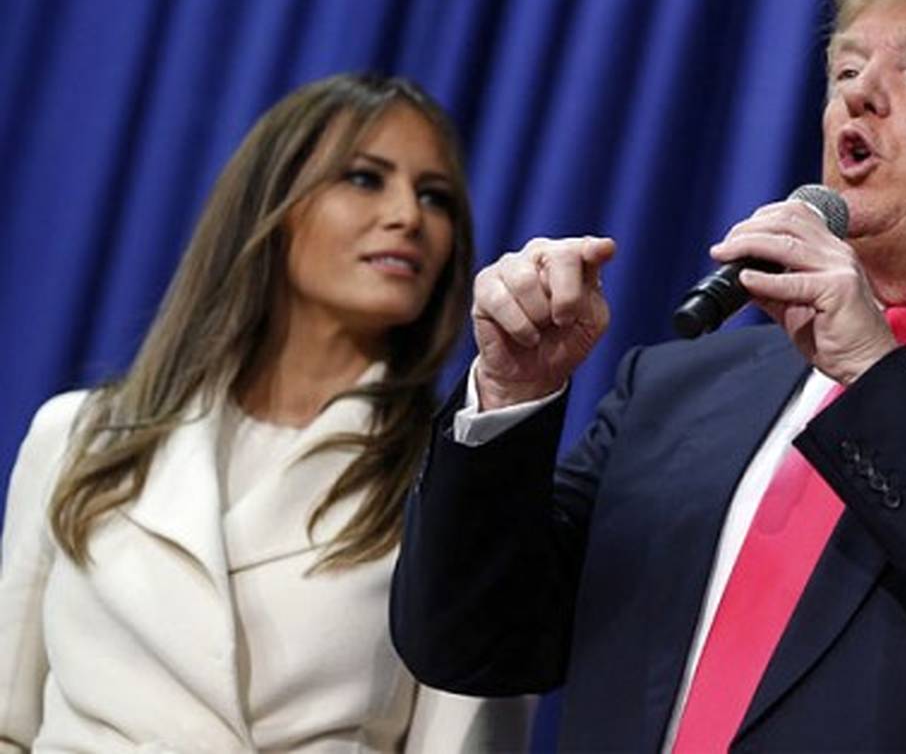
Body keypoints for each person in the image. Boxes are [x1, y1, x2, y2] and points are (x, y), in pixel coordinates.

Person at [391, 0, 906, 750]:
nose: (860, 91)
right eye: (845, 68)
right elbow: (471, 643)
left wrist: (874, 373)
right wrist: (510, 395)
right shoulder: (676, 389)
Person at [0, 74, 531, 752]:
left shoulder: (458, 489)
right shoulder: (78, 436)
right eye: (365, 179)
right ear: (271, 205)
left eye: (435, 197)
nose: (408, 216)